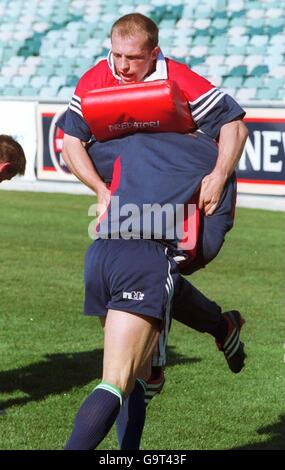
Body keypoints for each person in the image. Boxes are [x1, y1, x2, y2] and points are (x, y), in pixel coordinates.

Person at [57, 13, 248, 449]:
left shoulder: (179, 81)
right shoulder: (95, 81)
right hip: (127, 239)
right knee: (129, 373)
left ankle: (207, 333)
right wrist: (101, 189)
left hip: (137, 237)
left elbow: (234, 123)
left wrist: (218, 175)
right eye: (116, 56)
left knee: (128, 367)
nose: (122, 67)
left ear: (154, 54)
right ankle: (212, 331)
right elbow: (70, 140)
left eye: (133, 59)